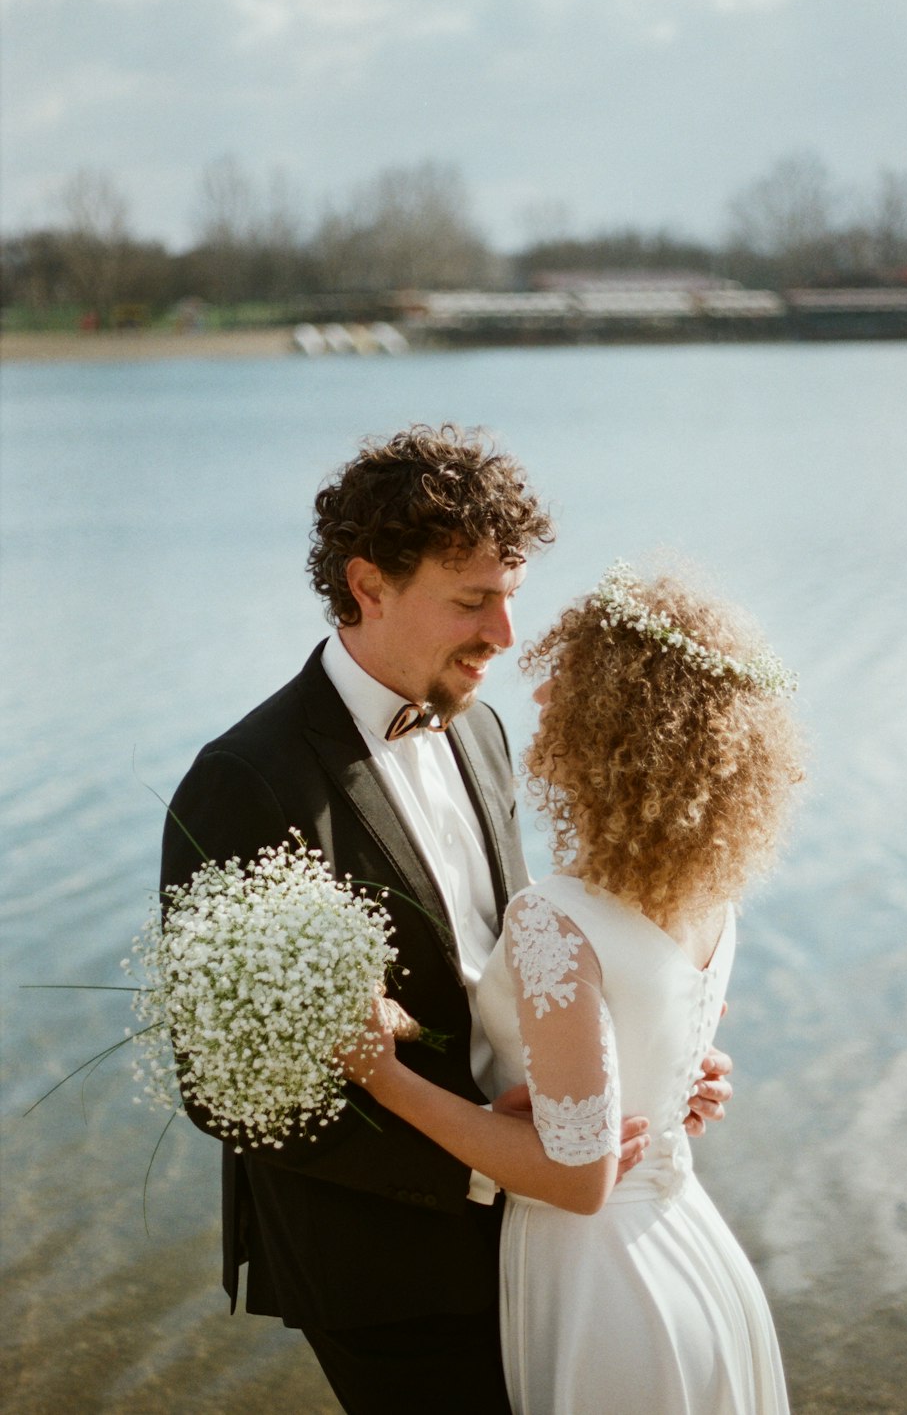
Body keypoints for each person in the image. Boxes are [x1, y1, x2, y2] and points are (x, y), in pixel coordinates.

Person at [161, 425, 733, 1414]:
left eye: (509, 598)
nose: (504, 637)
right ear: (368, 584)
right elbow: (224, 1089)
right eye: (472, 601)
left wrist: (636, 1064)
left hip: (542, 1226)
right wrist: (475, 1167)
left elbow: (507, 965)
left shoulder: (482, 725)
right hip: (383, 1263)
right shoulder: (243, 780)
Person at [342, 556, 802, 1414]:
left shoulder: (557, 918)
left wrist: (384, 1078)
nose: (543, 698)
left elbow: (580, 1177)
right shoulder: (710, 898)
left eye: (570, 679)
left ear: (617, 722)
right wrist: (670, 1087)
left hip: (606, 1287)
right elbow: (644, 1055)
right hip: (691, 1248)